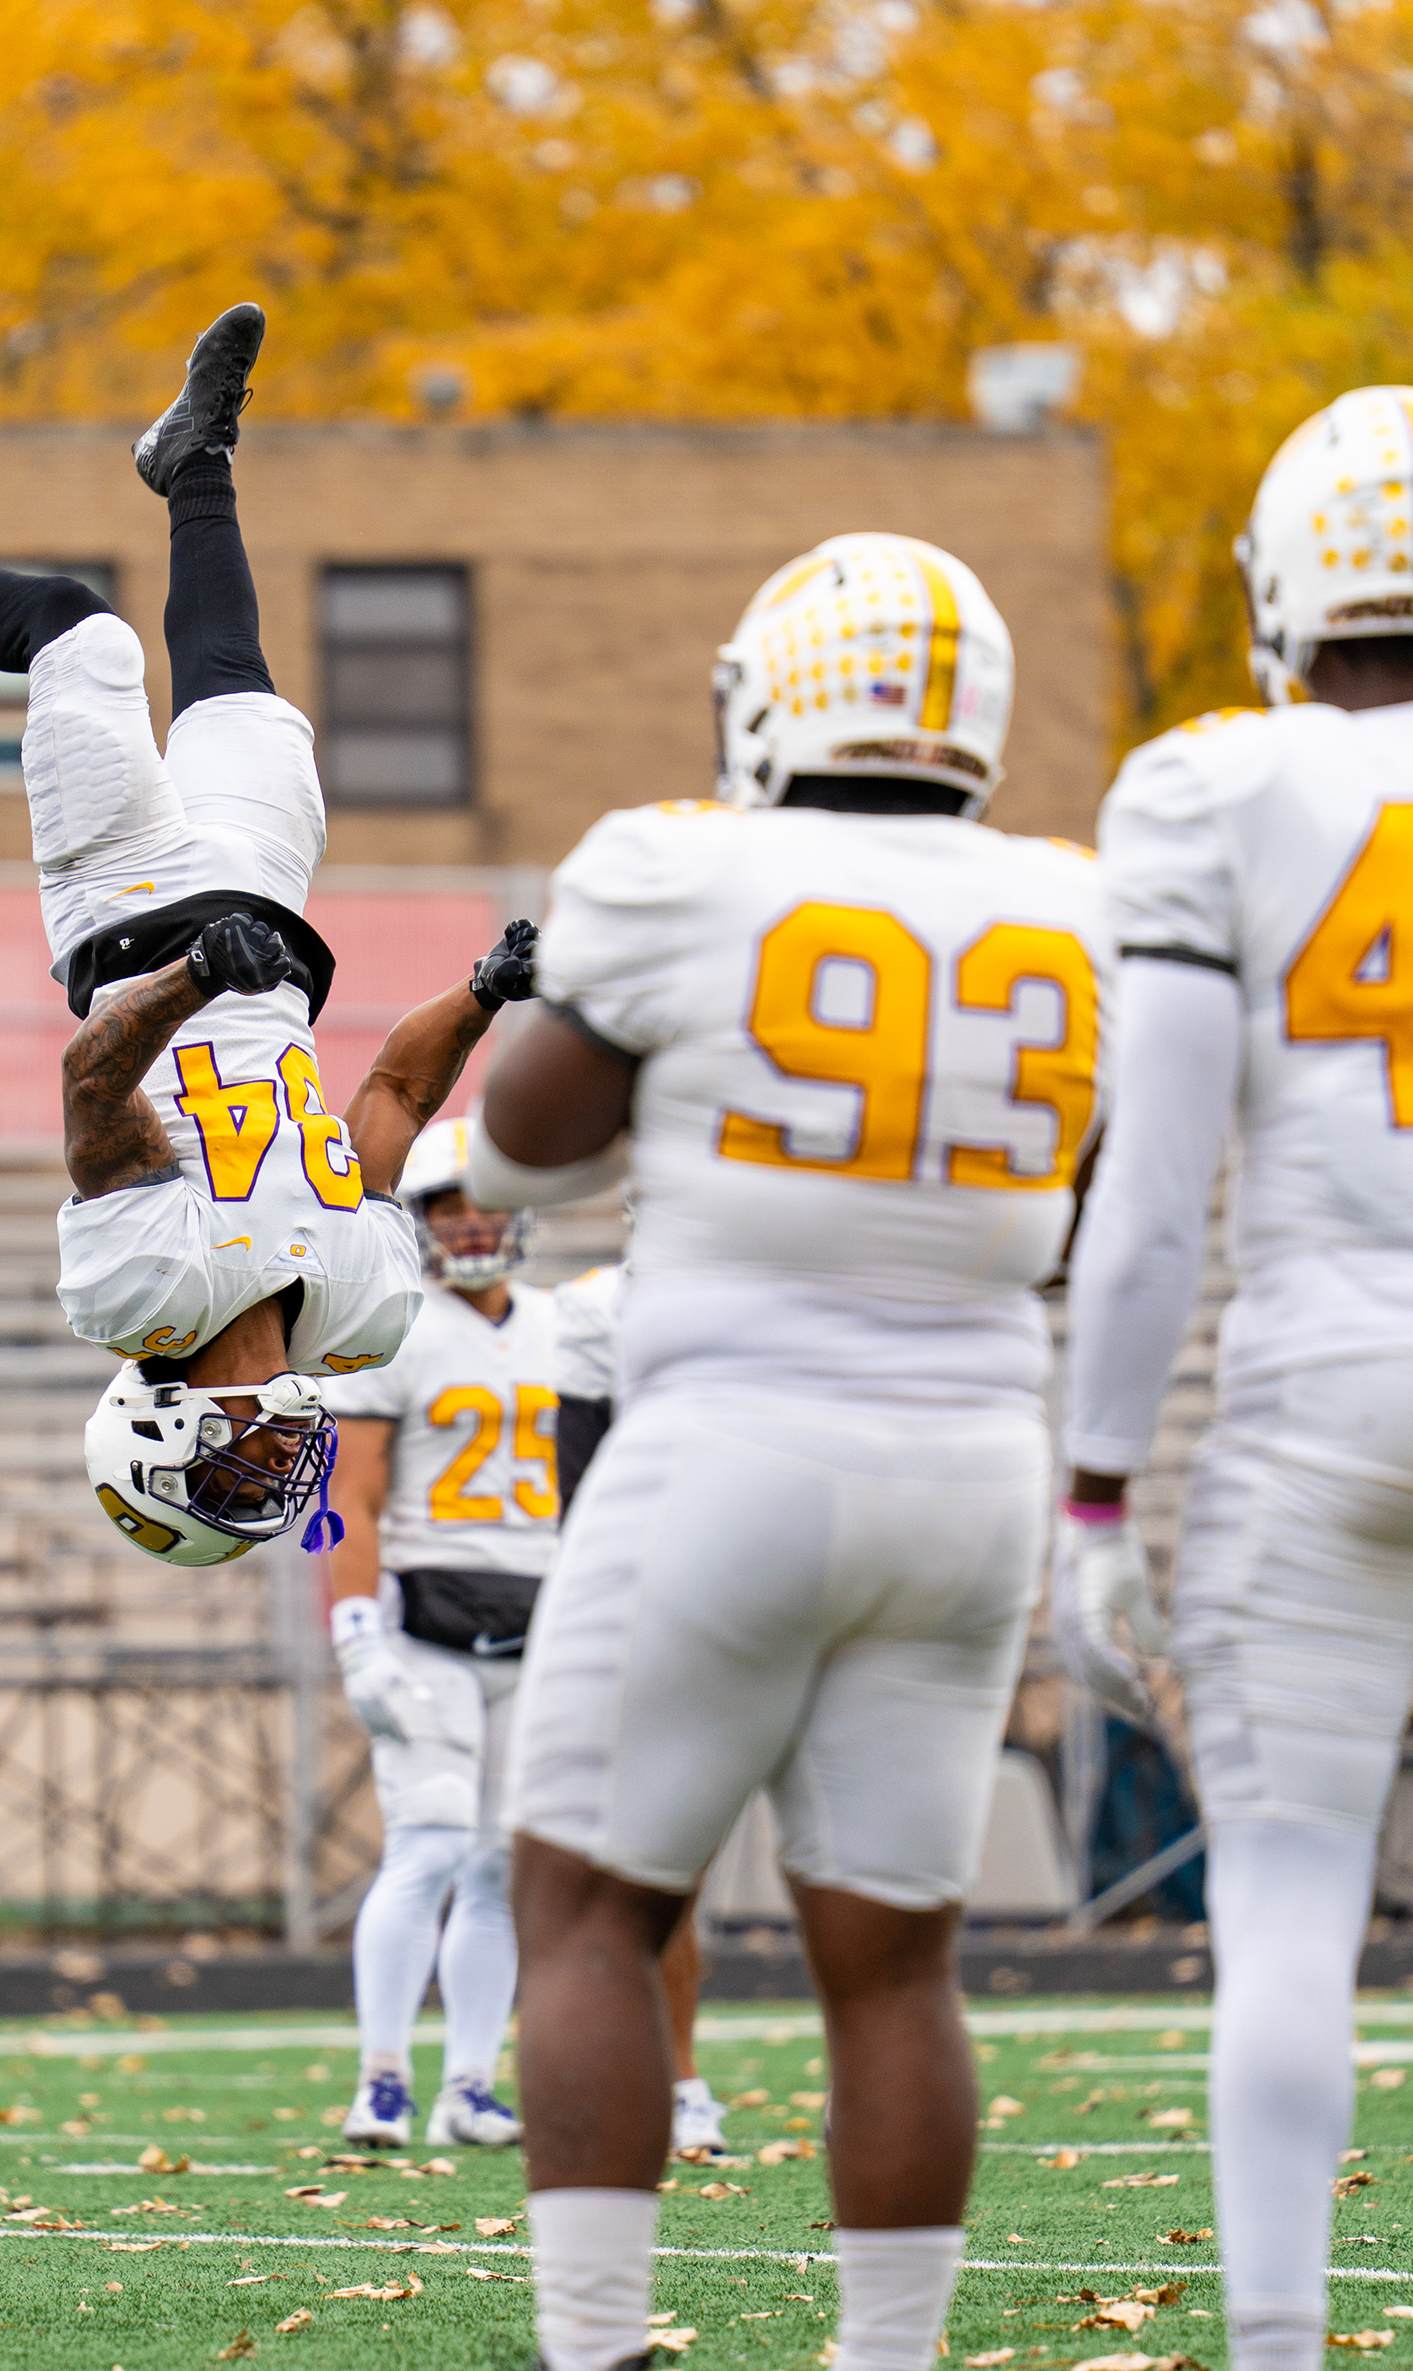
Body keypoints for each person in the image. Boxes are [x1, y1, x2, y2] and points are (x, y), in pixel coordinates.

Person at [470, 532, 1113, 2371]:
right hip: (975, 1470)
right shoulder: (1075, 902)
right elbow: (1074, 1224)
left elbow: (518, 1150)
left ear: (770, 700)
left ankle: (596, 2345)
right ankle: (887, 2356)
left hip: (733, 1443)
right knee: (895, 1956)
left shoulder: (679, 865)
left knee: (591, 1908)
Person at [0, 306, 535, 1565]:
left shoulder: (142, 1297)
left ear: (161, 1435)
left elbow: (95, 1078)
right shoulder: (363, 1310)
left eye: (239, 1471)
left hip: (126, 912)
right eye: (275, 1477)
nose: (281, 1457)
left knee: (80, 633)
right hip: (268, 920)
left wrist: (195, 976)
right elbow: (393, 1092)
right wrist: (484, 993)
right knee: (237, 681)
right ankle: (193, 459)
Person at [1056, 385, 1413, 2371]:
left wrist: (1098, 1487)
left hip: (1324, 1370)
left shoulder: (1217, 786)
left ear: (1284, 592)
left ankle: (1283, 2344)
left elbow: (1154, 1197)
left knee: (1286, 1899)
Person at [326, 1116, 552, 2148]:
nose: (469, 1224)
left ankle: (469, 2085)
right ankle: (382, 2078)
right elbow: (351, 1496)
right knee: (427, 1848)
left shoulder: (566, 1329)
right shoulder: (397, 1328)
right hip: (428, 1623)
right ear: (420, 1221)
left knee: (500, 1866)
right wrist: (356, 1629)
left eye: (485, 1203)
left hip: (541, 1625)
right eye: (448, 1207)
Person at [553, 1258, 728, 2160]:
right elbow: (580, 1493)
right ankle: (660, 2076)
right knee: (635, 1858)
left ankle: (687, 2076)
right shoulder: (592, 1312)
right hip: (641, 1604)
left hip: (767, 1585)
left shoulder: (779, 1285)